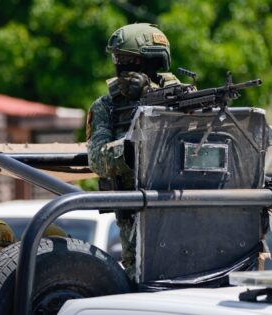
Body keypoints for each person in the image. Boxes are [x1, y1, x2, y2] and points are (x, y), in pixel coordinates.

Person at [87, 23, 184, 280]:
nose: (119, 65)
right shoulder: (107, 106)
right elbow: (97, 160)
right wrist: (134, 149)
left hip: (185, 205)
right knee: (141, 282)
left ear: (150, 62)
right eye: (117, 59)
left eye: (126, 60)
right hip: (136, 215)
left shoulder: (184, 97)